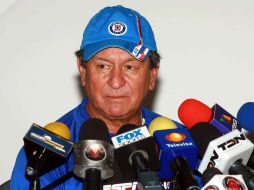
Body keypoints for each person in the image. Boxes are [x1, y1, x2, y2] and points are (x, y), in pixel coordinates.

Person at [10, 5, 183, 189]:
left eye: (130, 67)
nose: (116, 82)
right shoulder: (44, 156)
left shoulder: (178, 143)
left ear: (152, 76)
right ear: (83, 71)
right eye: (103, 66)